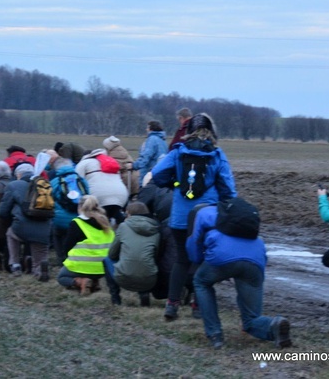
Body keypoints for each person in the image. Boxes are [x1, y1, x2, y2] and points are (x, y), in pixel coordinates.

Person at [150, 112, 237, 320]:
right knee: (202, 260)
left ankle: (172, 305)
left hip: (180, 217)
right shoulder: (217, 154)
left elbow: (157, 174)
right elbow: (229, 189)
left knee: (181, 260)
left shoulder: (178, 152)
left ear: (188, 131)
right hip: (207, 217)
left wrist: (175, 183)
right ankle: (198, 305)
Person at [187, 199, 292, 349]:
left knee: (201, 282)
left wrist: (200, 260)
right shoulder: (240, 212)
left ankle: (215, 334)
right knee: (251, 319)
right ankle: (273, 325)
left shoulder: (202, 213)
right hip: (255, 258)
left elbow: (193, 245)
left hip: (221, 256)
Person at [0, 163, 52, 281]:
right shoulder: (44, 185)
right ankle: (39, 269)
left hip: (20, 227)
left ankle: (15, 264)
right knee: (40, 251)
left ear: (19, 175)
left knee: (11, 234)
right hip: (44, 227)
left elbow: (2, 212)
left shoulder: (13, 185)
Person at [103, 201, 160, 306]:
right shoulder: (155, 229)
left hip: (123, 278)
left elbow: (112, 254)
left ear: (128, 213)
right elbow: (155, 255)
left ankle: (115, 298)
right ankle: (144, 293)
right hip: (149, 280)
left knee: (106, 259)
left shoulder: (124, 227)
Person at [57, 195, 114, 295]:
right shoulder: (105, 222)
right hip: (104, 268)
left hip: (83, 265)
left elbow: (67, 247)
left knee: (62, 277)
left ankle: (80, 282)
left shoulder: (77, 223)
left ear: (80, 207)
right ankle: (94, 282)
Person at [46, 152, 90, 265]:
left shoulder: (55, 182)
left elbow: (50, 200)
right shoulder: (81, 180)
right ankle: (77, 258)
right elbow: (87, 195)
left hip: (60, 219)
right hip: (79, 217)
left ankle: (61, 259)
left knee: (57, 234)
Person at [75, 148, 129, 224]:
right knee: (114, 215)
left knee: (98, 221)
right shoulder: (110, 162)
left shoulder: (84, 163)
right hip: (121, 195)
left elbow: (77, 181)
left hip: (98, 196)